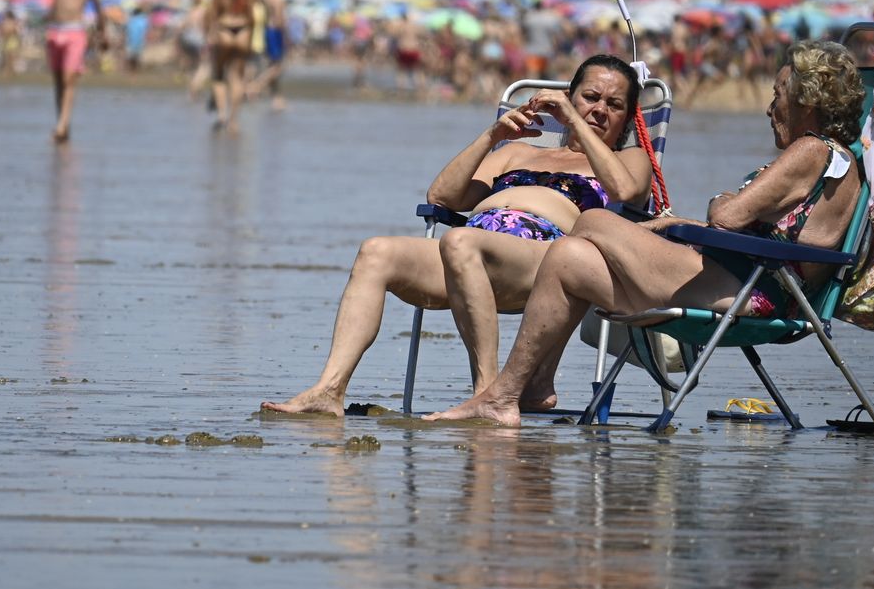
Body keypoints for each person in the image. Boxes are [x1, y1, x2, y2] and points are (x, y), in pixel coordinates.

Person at [426, 41, 863, 426]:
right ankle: (518, 394)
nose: (771, 107)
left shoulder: (812, 149)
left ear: (809, 100)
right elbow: (766, 229)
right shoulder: (832, 158)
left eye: (779, 94)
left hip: (756, 292)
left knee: (595, 222)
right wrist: (684, 224)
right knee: (568, 258)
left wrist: (718, 202)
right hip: (747, 278)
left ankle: (503, 395)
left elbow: (730, 217)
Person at [262, 55, 653, 417]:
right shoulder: (518, 152)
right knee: (376, 251)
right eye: (590, 97)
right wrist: (492, 136)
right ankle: (328, 391)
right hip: (471, 254)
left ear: (627, 118)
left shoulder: (628, 160)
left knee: (460, 240)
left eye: (614, 104)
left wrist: (577, 124)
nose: (599, 109)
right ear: (571, 97)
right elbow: (442, 196)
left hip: (544, 261)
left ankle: (489, 394)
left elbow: (623, 192)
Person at [34, 0, 103, 142]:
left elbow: (98, 8)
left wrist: (103, 33)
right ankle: (63, 124)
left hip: (75, 32)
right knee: (58, 82)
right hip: (54, 31)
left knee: (69, 79)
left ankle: (62, 125)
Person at [205, 0, 255, 132]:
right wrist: (251, 38)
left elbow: (213, 13)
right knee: (237, 78)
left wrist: (210, 33)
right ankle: (233, 121)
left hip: (224, 30)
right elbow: (251, 17)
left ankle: (221, 115)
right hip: (243, 31)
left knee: (218, 75)